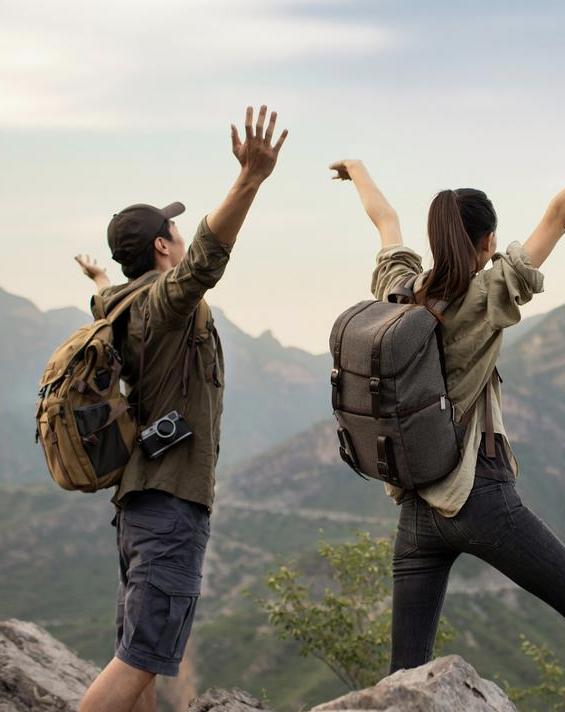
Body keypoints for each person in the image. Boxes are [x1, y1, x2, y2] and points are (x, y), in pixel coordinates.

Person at [332, 81, 565, 712]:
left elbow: (385, 223)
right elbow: (557, 217)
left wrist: (358, 170)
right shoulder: (486, 296)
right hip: (479, 496)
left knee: (399, 680)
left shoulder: (399, 290)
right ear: (488, 242)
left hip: (414, 511)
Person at [77, 105, 287, 712]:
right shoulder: (165, 304)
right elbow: (206, 258)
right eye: (172, 232)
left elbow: (108, 296)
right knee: (141, 657)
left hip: (137, 507)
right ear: (163, 247)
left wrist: (99, 276)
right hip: (169, 505)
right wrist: (249, 180)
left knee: (136, 654)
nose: (180, 238)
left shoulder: (116, 305)